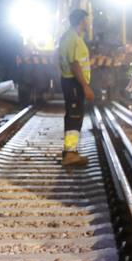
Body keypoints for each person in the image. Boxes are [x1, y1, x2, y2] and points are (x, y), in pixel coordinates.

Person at [58, 9, 94, 168]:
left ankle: (69, 151)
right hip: (74, 83)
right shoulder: (73, 38)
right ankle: (70, 154)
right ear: (81, 21)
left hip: (71, 82)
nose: (89, 22)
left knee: (74, 116)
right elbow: (74, 64)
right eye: (87, 20)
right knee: (74, 117)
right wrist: (85, 86)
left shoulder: (70, 36)